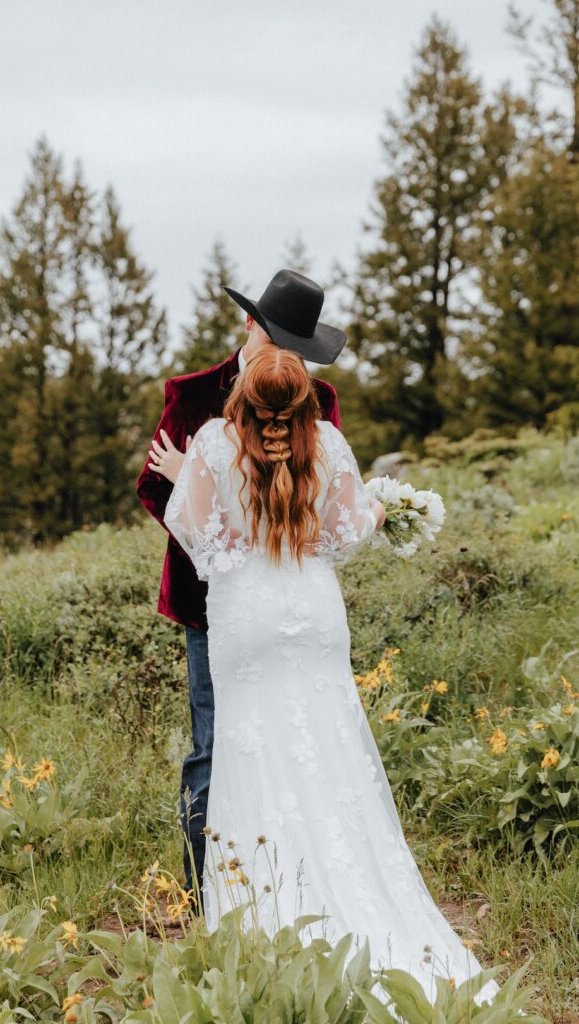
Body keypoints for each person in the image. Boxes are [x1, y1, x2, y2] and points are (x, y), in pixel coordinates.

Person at [160, 344, 502, 1008]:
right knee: (331, 754)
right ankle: (363, 913)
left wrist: (237, 536)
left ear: (240, 400)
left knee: (252, 760)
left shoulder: (209, 443)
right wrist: (375, 511)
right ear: (303, 403)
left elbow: (195, 534)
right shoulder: (329, 444)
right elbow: (344, 535)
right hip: (311, 612)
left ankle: (261, 940)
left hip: (247, 620)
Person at [136, 269, 344, 900]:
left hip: (291, 599)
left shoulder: (321, 401)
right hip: (210, 602)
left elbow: (320, 494)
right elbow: (152, 487)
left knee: (297, 737)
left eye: (297, 347)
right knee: (213, 743)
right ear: (249, 325)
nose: (287, 355)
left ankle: (294, 881)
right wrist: (192, 488)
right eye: (276, 337)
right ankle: (207, 891)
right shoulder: (193, 393)